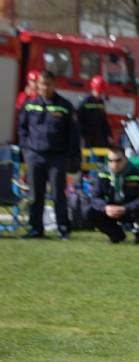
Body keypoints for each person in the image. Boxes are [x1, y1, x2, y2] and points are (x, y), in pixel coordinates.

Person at [17, 69, 81, 240]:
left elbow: (73, 134)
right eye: (42, 84)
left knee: (58, 194)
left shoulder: (64, 106)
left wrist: (69, 156)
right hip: (35, 156)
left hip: (57, 158)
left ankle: (63, 229)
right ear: (37, 85)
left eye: (48, 84)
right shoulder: (30, 105)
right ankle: (35, 229)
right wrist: (26, 150)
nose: (45, 87)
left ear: (54, 85)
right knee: (35, 195)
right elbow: (22, 129)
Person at [85, 145, 139, 244]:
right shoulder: (103, 174)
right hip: (111, 210)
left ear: (125, 159)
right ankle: (116, 235)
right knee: (89, 211)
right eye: (110, 160)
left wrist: (125, 209)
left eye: (118, 160)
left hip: (130, 210)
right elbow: (94, 197)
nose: (114, 164)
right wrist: (105, 207)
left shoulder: (137, 174)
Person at [77, 75, 113, 148]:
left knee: (101, 157)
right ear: (94, 89)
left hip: (99, 136)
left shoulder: (100, 102)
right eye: (99, 92)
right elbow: (78, 120)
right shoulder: (85, 102)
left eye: (101, 92)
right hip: (87, 136)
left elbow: (104, 120)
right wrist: (81, 137)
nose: (100, 95)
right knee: (86, 158)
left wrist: (109, 134)